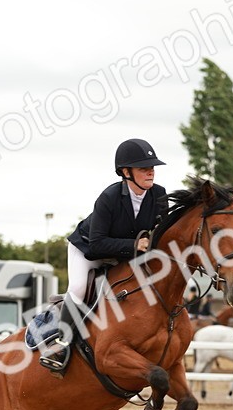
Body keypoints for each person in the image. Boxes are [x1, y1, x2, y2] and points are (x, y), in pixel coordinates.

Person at [31, 138, 168, 373]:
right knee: (79, 289)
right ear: (126, 172)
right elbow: (97, 245)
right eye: (143, 168)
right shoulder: (109, 197)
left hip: (125, 254)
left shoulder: (159, 195)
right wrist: (135, 245)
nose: (150, 172)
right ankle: (61, 343)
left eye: (152, 168)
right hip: (88, 250)